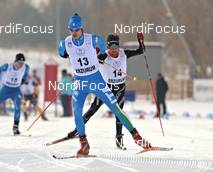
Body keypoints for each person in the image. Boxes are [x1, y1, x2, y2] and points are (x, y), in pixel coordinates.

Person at [58, 13, 151, 156]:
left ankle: (138, 138)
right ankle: (84, 145)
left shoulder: (94, 39)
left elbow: (102, 52)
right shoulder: (66, 42)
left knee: (116, 109)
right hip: (80, 83)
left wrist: (98, 53)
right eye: (71, 29)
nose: (73, 32)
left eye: (76, 29)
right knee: (77, 112)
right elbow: (63, 53)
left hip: (96, 81)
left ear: (81, 28)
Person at [66, 33, 144, 150]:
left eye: (115, 47)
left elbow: (141, 51)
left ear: (118, 45)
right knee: (92, 110)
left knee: (119, 114)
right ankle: (77, 131)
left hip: (120, 89)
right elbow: (89, 61)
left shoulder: (124, 53)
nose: (113, 50)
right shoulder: (104, 56)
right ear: (107, 47)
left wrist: (140, 40)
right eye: (110, 47)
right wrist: (95, 52)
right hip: (105, 89)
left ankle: (119, 139)